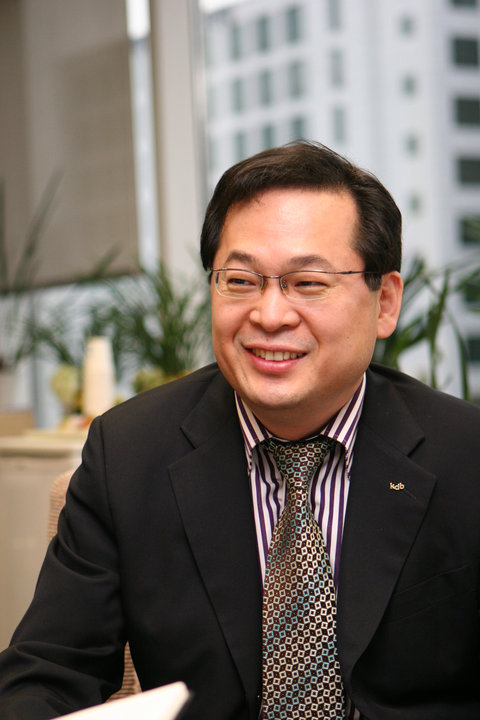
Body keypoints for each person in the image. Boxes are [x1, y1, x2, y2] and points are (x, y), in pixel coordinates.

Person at [1, 141, 479, 720]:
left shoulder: (466, 455)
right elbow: (48, 671)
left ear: (384, 303)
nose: (269, 315)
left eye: (308, 283)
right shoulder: (128, 454)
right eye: (241, 280)